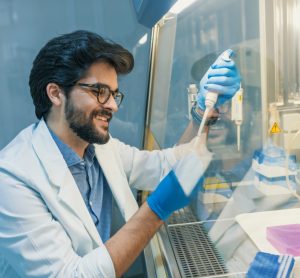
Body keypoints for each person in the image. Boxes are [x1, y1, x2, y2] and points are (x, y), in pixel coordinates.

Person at [0, 30, 240, 277]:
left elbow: (167, 165)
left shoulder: (99, 147)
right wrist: (155, 210)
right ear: (55, 93)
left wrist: (203, 112)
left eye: (114, 94)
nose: (113, 105)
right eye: (99, 92)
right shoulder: (12, 178)